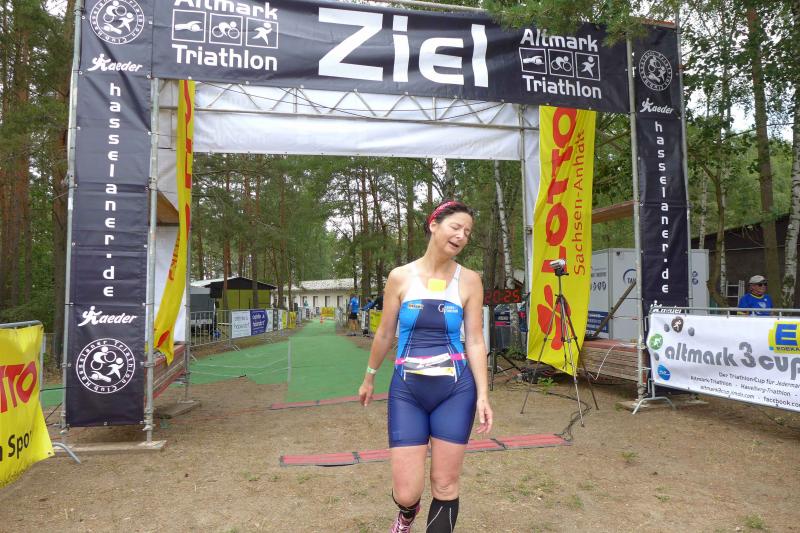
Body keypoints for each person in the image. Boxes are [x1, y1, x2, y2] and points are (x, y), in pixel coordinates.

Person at [358, 200, 493, 533]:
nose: (461, 236)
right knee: (407, 492)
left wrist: (483, 395)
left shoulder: (470, 280)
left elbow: (476, 340)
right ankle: (407, 513)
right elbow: (385, 332)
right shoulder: (400, 277)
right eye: (456, 227)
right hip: (408, 391)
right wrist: (369, 376)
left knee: (445, 484)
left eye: (467, 232)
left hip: (455, 391)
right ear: (434, 225)